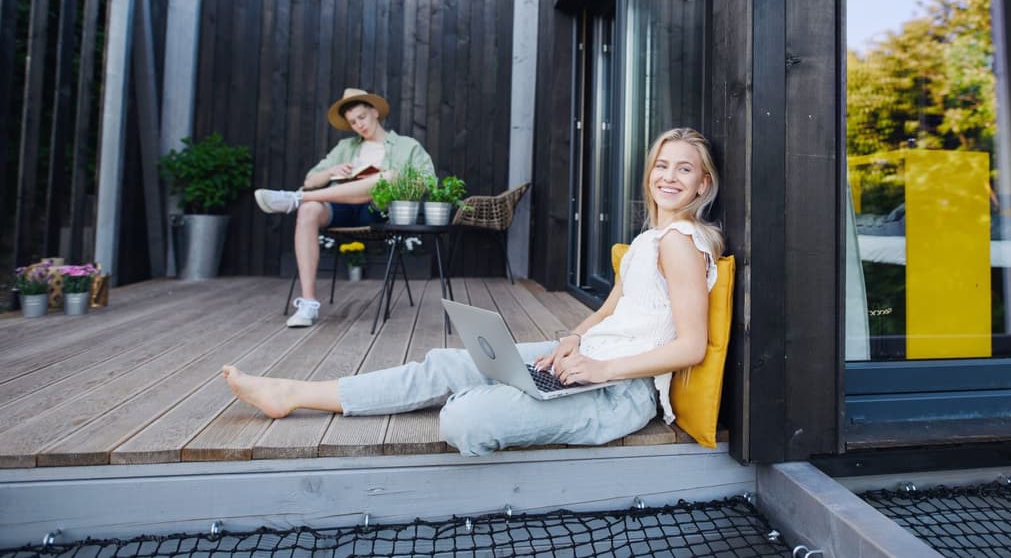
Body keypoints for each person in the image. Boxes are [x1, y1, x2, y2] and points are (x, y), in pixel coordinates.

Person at [224, 127, 724, 456]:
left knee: (465, 417)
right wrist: (573, 338)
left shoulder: (681, 244)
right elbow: (612, 309)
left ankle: (504, 393)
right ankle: (291, 393)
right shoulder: (646, 241)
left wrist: (599, 368)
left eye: (684, 168)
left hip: (621, 390)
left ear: (703, 184)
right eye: (662, 164)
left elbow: (689, 346)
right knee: (445, 363)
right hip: (587, 361)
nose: (669, 176)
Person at [253, 87, 435, 328]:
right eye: (352, 122)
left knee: (388, 177)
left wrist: (386, 179)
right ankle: (308, 304)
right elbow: (310, 181)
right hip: (341, 207)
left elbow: (428, 181)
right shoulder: (345, 148)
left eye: (362, 117)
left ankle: (296, 199)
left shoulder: (406, 145)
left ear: (374, 112)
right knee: (309, 211)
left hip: (377, 210)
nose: (358, 125)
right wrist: (331, 171)